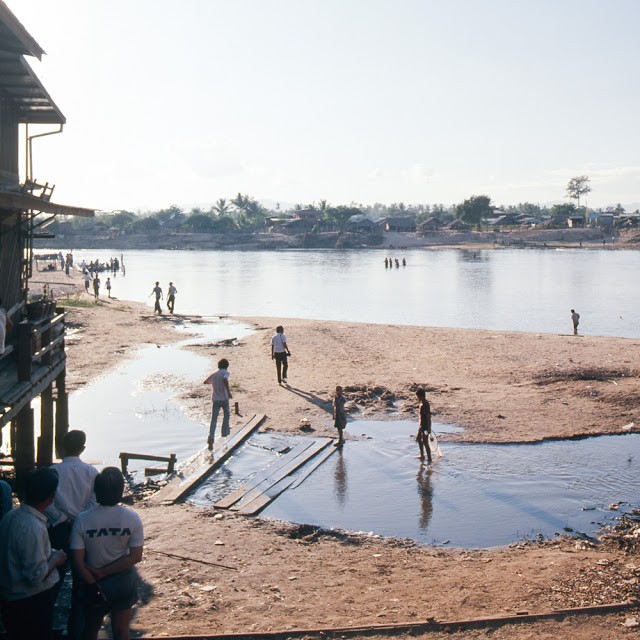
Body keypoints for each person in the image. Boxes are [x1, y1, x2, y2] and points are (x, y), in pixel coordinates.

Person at [71, 467, 144, 640]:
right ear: (120, 491)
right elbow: (135, 556)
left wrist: (94, 578)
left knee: (90, 629)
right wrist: (107, 572)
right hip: (123, 581)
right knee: (121, 631)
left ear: (96, 491)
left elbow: (77, 561)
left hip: (93, 581)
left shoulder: (83, 519)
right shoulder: (132, 518)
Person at [0, 467, 67, 640]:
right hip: (30, 602)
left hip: (11, 598)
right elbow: (35, 577)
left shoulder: (10, 516)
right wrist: (56, 559)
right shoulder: (33, 527)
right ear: (51, 497)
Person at [46, 430, 99, 640]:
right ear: (83, 449)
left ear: (60, 448)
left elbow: (48, 502)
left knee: (52, 578)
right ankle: (76, 629)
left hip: (59, 529)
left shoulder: (53, 471)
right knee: (81, 579)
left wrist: (62, 518)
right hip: (83, 528)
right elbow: (94, 504)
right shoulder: (91, 472)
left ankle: (46, 624)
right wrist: (79, 520)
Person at [203, 358, 232, 450]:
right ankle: (224, 432)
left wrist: (214, 382)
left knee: (214, 419)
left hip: (215, 398)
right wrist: (228, 391)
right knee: (226, 414)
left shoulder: (214, 374)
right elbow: (224, 379)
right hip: (224, 398)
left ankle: (211, 437)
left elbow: (206, 382)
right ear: (226, 366)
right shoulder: (225, 373)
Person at [415, 388, 432, 464]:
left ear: (421, 396)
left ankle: (429, 458)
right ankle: (422, 455)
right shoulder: (421, 403)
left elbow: (428, 416)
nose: (417, 398)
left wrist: (428, 428)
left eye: (418, 397)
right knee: (418, 439)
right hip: (421, 425)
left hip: (425, 426)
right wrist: (419, 427)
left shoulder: (425, 404)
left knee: (425, 442)